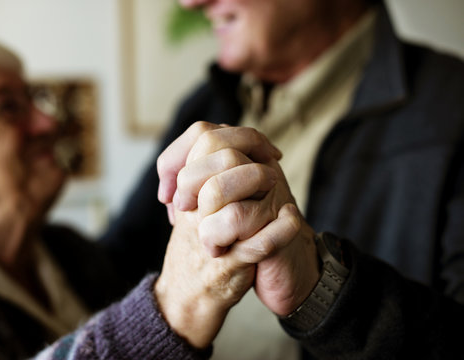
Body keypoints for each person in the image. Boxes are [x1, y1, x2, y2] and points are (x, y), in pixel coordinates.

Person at [99, 0, 464, 358]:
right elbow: (112, 273)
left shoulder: (453, 108)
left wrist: (323, 291)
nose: (191, 2)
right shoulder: (203, 105)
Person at [0, 30, 302, 359]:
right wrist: (174, 307)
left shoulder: (69, 253)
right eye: (8, 107)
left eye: (33, 98)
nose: (48, 122)